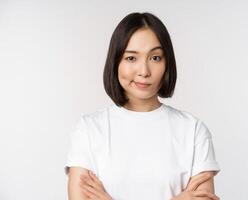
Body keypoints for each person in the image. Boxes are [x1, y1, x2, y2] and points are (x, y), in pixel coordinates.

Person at [64, 12, 221, 200]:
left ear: (167, 63)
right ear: (116, 62)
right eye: (131, 58)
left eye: (155, 58)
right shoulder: (89, 130)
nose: (144, 71)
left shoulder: (193, 130)